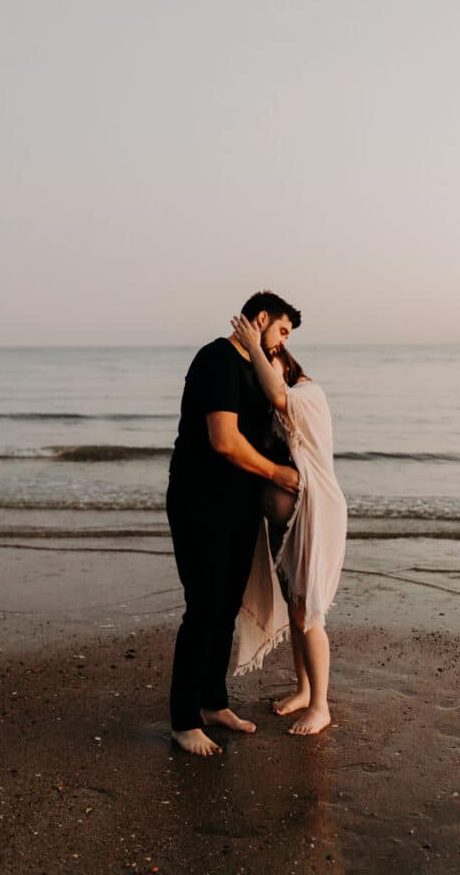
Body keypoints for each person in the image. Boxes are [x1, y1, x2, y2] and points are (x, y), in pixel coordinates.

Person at [167, 291, 302, 756]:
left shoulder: (252, 368)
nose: (282, 343)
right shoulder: (218, 360)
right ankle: (183, 720)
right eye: (281, 330)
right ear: (260, 318)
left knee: (225, 607)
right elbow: (224, 441)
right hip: (200, 500)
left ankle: (211, 703)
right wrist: (278, 473)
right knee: (203, 607)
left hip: (238, 504)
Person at [231, 314, 347, 736]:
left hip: (318, 513)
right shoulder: (279, 404)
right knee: (296, 608)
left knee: (308, 612)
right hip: (290, 523)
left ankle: (321, 705)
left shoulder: (306, 393)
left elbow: (278, 394)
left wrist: (259, 348)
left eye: (275, 357)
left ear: (285, 360)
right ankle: (303, 689)